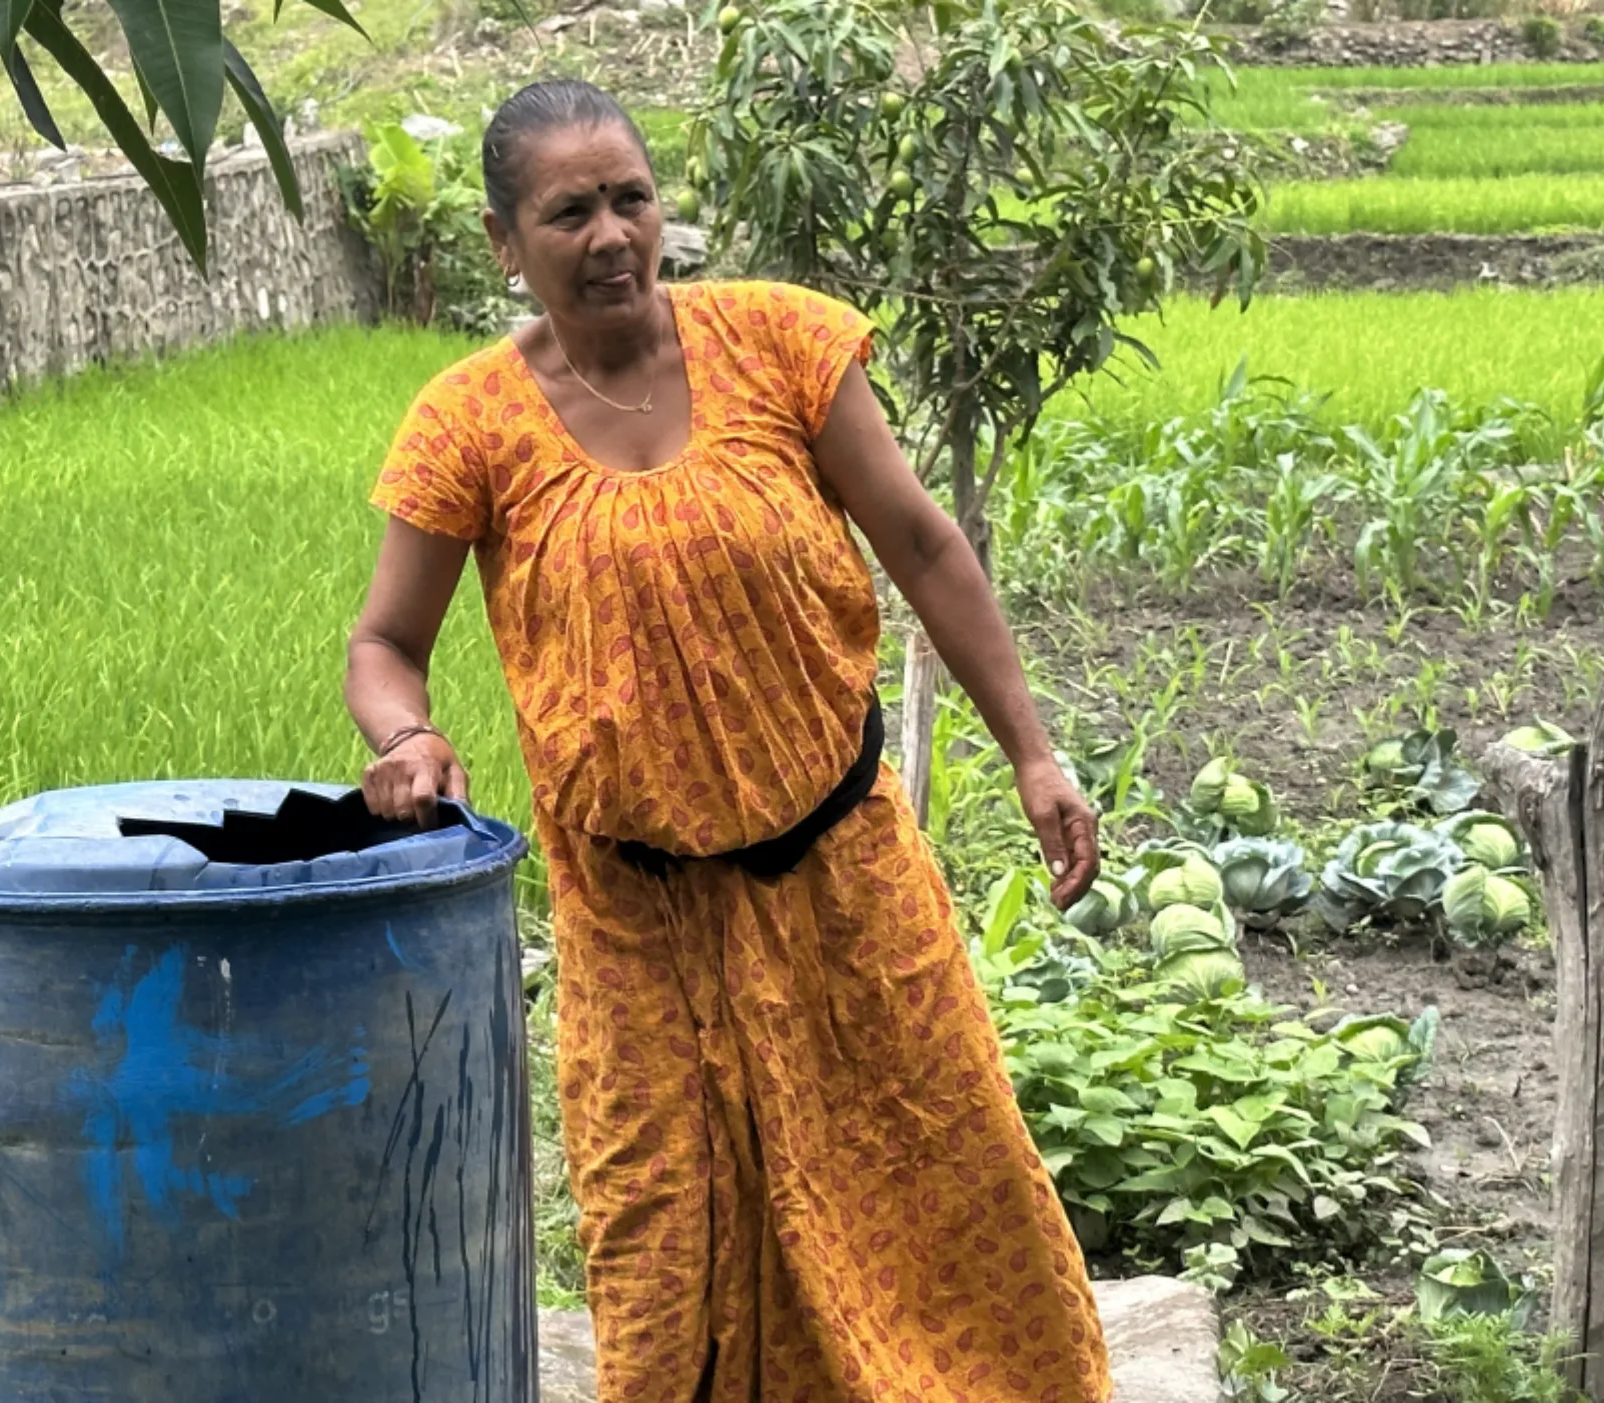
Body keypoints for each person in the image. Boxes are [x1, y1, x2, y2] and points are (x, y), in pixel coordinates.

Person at [344, 77, 1112, 1403]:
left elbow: (925, 545)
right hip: (636, 926)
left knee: (929, 1186)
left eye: (630, 198)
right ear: (501, 241)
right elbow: (384, 644)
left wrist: (1033, 751)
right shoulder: (467, 422)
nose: (609, 235)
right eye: (568, 210)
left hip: (844, 880)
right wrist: (409, 736)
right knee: (667, 1256)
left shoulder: (780, 344)